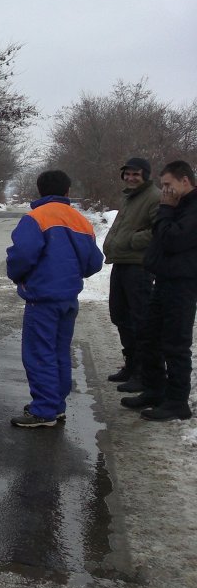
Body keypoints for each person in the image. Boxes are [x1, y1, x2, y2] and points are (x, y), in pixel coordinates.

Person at [6, 170, 104, 427]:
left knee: (39, 353)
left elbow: (22, 255)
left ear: (40, 191)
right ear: (67, 191)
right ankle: (56, 404)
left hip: (43, 299)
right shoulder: (81, 221)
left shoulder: (36, 218)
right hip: (69, 300)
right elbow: (94, 262)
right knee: (60, 351)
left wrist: (17, 276)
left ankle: (44, 410)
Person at [121, 160, 197, 422]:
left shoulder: (190, 207)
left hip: (183, 283)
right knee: (149, 337)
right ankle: (155, 389)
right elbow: (162, 235)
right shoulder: (178, 205)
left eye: (168, 185)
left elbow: (173, 239)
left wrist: (165, 209)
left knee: (175, 344)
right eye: (163, 185)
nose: (164, 190)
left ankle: (177, 401)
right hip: (163, 279)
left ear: (184, 181)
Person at [101, 157, 160, 391]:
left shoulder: (154, 197)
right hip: (122, 263)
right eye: (127, 174)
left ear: (145, 175)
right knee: (120, 315)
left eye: (136, 174)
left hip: (139, 265)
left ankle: (143, 373)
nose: (131, 178)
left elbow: (159, 230)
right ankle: (131, 364)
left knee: (140, 320)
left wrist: (132, 240)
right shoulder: (129, 196)